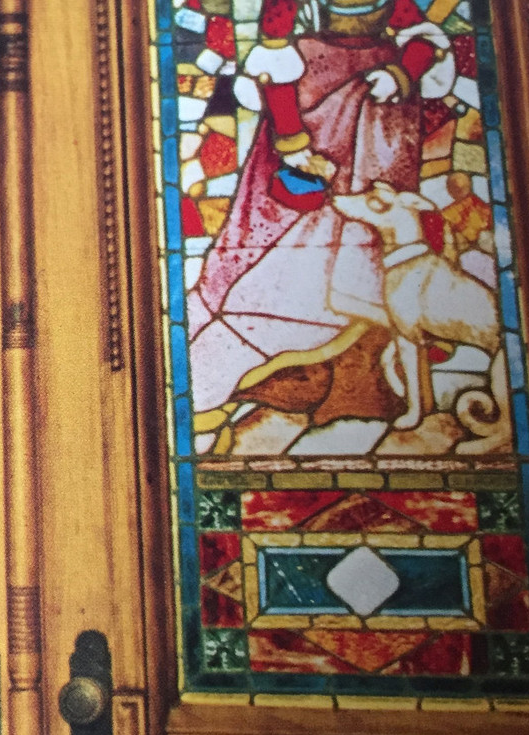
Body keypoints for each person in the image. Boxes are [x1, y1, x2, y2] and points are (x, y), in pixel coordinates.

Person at [184, 0, 457, 451]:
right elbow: (274, 59)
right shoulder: (291, 23)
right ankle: (277, 373)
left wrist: (403, 72)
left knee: (371, 236)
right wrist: (292, 141)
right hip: (310, 97)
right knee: (287, 242)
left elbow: (417, 31)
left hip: (383, 107)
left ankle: (363, 387)